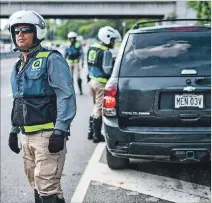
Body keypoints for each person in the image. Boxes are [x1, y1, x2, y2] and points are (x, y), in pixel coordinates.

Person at [7, 10, 76, 203]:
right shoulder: (17, 66)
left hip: (47, 136)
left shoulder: (51, 59)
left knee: (47, 188)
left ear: (37, 32)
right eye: (16, 31)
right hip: (26, 137)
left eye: (26, 30)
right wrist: (14, 130)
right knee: (37, 185)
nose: (20, 34)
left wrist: (60, 131)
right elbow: (18, 100)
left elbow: (66, 96)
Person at [87, 26, 121, 143]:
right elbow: (107, 70)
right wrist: (113, 62)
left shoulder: (92, 48)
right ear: (106, 38)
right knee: (99, 108)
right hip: (101, 83)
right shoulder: (105, 52)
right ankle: (97, 135)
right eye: (112, 40)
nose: (113, 43)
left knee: (95, 106)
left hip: (91, 81)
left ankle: (90, 132)